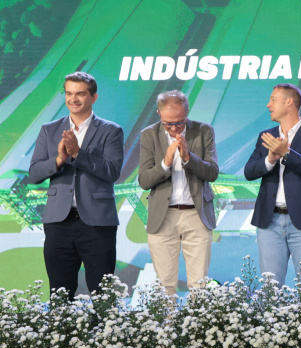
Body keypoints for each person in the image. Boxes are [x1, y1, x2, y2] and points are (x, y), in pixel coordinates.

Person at [28, 71, 124, 300]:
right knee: (59, 291)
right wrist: (59, 160)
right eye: (69, 94)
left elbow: (111, 171)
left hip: (97, 222)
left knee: (102, 291)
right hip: (58, 222)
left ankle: (105, 333)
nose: (74, 99)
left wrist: (77, 154)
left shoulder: (111, 130)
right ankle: (62, 334)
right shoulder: (49, 129)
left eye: (80, 94)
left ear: (93, 97)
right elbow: (33, 175)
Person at [244, 84, 301, 284]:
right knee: (270, 288)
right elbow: (249, 172)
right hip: (270, 220)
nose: (268, 105)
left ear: (289, 102)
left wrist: (287, 154)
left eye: (273, 99)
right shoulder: (266, 136)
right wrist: (270, 159)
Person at [137, 90, 219, 296]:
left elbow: (212, 172)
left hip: (197, 214)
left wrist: (188, 157)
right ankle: (167, 327)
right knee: (165, 285)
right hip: (163, 216)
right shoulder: (149, 134)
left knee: (199, 284)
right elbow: (145, 180)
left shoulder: (203, 131)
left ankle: (197, 328)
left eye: (179, 123)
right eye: (168, 123)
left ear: (188, 112)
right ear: (158, 114)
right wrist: (165, 162)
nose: (174, 128)